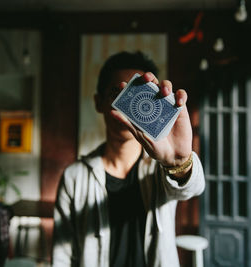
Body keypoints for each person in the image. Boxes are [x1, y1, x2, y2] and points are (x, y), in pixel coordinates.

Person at [52, 51, 205, 267]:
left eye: (136, 93)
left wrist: (178, 162)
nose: (127, 105)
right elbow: (62, 254)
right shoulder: (74, 176)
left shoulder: (160, 169)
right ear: (98, 102)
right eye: (117, 93)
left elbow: (192, 188)